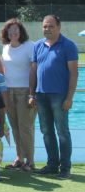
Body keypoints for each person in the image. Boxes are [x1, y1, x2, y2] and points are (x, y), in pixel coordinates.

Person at [30, 15, 78, 179]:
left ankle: (65, 167)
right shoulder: (37, 46)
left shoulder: (68, 45)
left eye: (50, 26)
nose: (47, 29)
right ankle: (52, 164)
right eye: (44, 26)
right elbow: (33, 71)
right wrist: (32, 94)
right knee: (46, 131)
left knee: (62, 132)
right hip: (41, 95)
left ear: (59, 27)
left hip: (60, 95)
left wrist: (69, 97)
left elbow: (73, 73)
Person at [0, 18, 36, 171]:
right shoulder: (5, 47)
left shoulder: (30, 46)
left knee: (25, 127)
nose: (13, 32)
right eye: (10, 30)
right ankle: (19, 158)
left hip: (25, 91)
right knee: (15, 127)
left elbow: (35, 70)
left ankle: (30, 161)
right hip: (9, 92)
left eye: (16, 29)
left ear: (21, 31)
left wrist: (32, 94)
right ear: (6, 33)